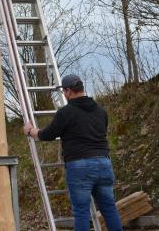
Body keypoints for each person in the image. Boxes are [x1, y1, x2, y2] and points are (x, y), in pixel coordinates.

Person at [24, 74, 123, 231]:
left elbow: (47, 135)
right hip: (104, 163)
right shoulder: (101, 111)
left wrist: (31, 131)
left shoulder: (66, 113)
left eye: (64, 91)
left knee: (81, 212)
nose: (64, 94)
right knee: (109, 209)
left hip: (80, 166)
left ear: (69, 91)